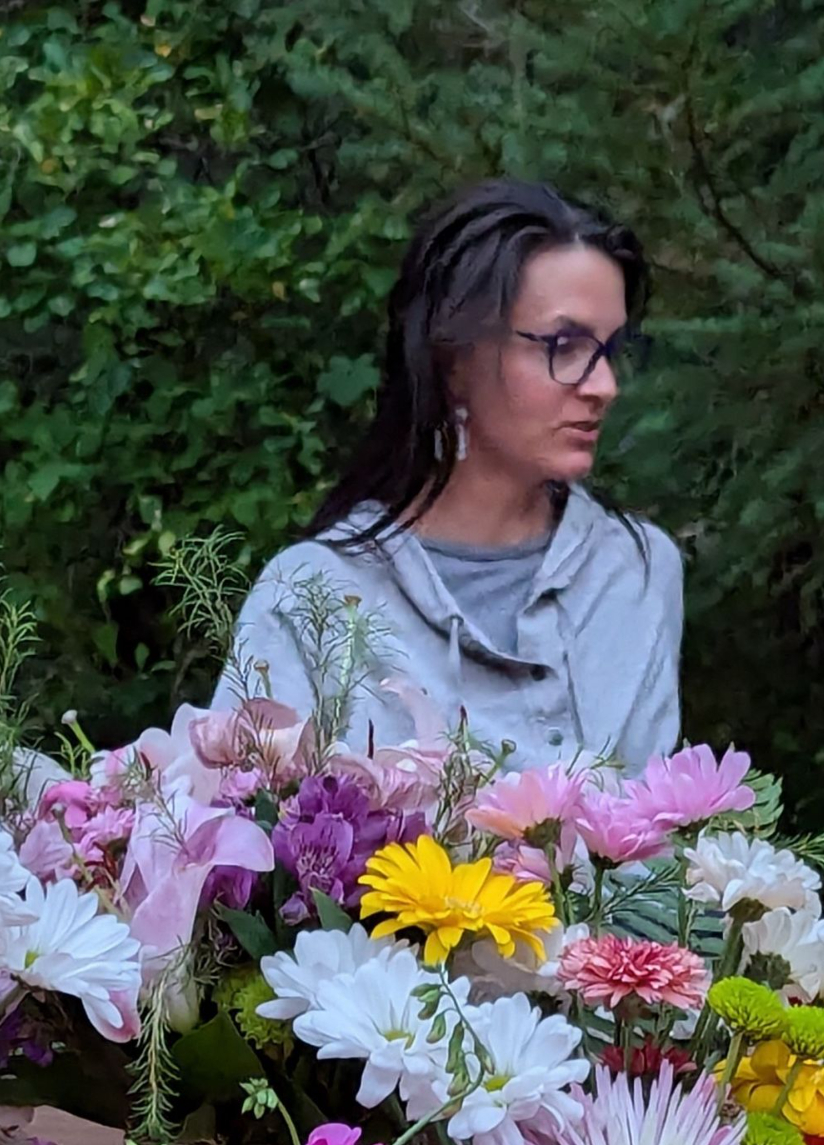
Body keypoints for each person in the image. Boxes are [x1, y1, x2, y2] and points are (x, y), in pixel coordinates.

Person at [222, 178, 683, 773]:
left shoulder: (640, 571)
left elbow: (658, 848)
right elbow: (247, 841)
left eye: (610, 348)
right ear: (454, 359)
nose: (604, 386)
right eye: (564, 345)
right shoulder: (313, 597)